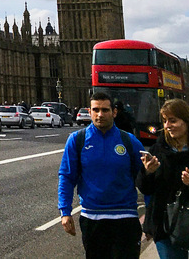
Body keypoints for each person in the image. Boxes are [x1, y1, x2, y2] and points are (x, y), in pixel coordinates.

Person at [58, 91, 145, 258]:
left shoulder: (129, 141)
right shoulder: (77, 140)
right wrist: (65, 211)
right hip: (92, 219)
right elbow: (67, 177)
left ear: (114, 112)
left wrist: (150, 219)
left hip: (126, 217)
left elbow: (144, 179)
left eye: (105, 110)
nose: (100, 114)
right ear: (89, 112)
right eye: (95, 110)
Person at [137, 98, 189, 259]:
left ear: (187, 121)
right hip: (165, 225)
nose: (167, 125)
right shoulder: (158, 150)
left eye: (173, 120)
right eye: (165, 121)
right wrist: (148, 172)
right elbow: (145, 188)